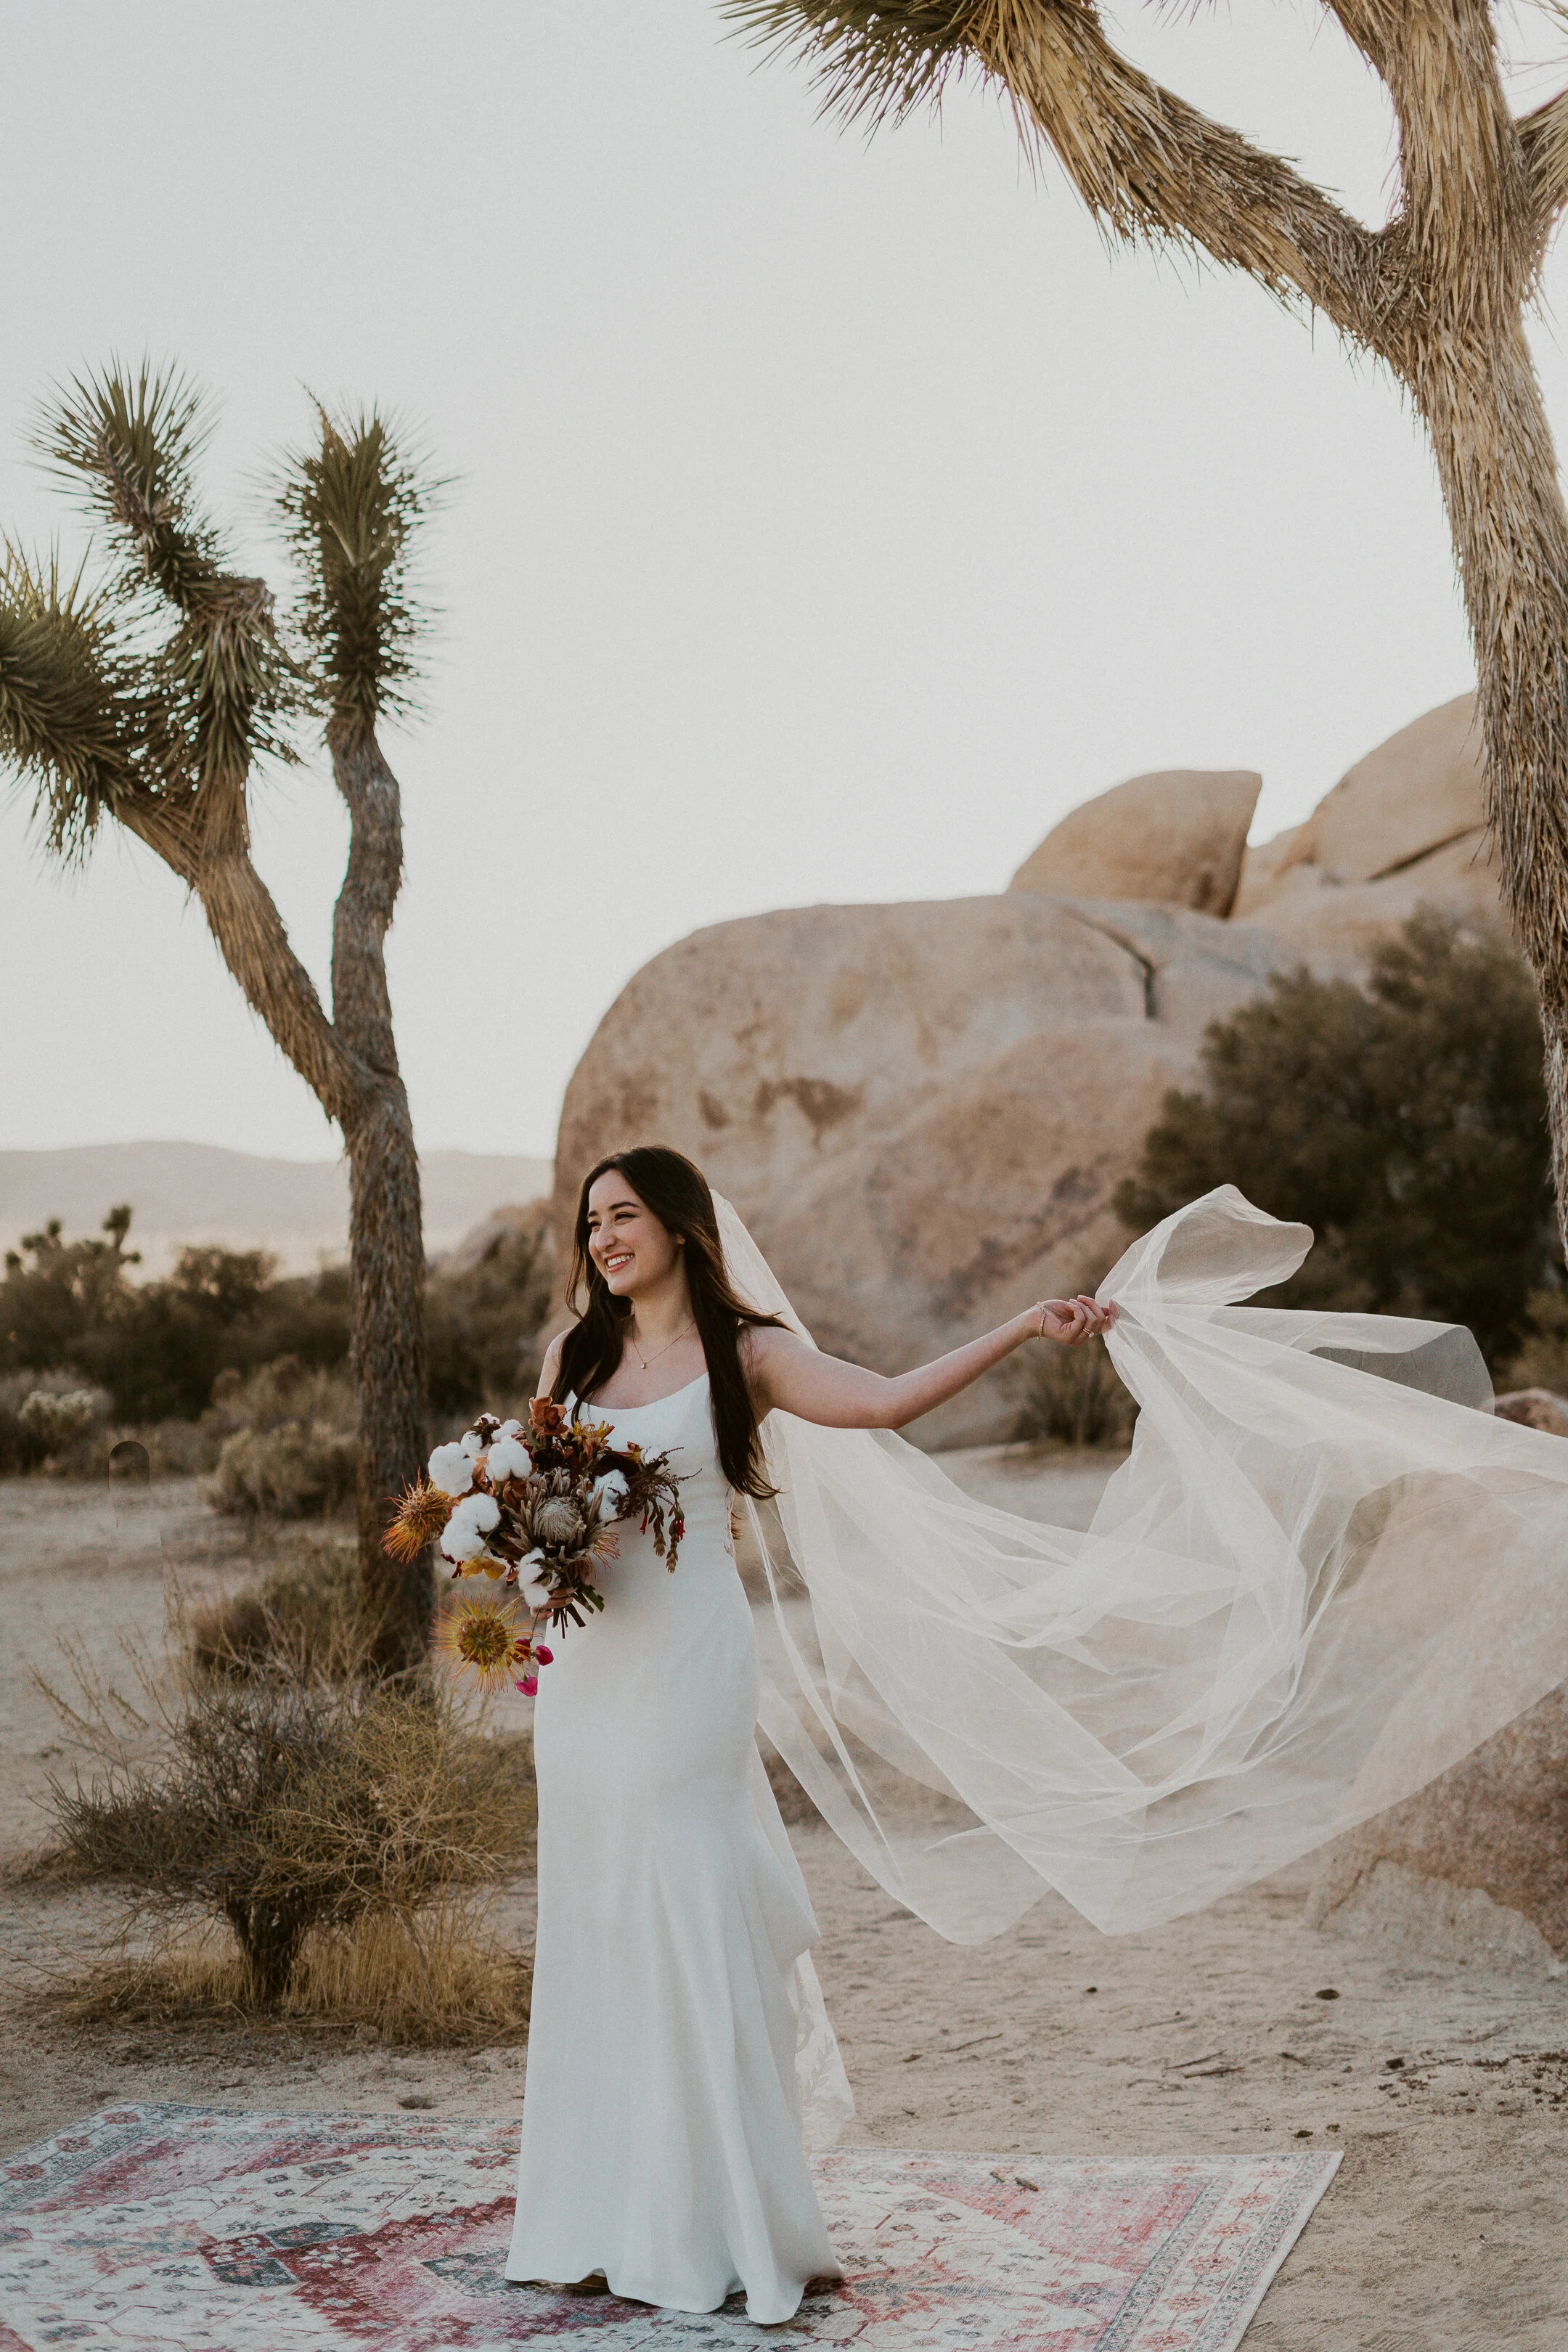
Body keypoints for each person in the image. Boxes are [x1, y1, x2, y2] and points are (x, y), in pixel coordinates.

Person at [504, 1143, 1112, 2320]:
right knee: (600, 1915)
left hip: (687, 1670)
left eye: (623, 1216)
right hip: (586, 1678)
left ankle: (728, 2219)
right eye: (590, 1225)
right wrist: (525, 1547)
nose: (603, 1240)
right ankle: (599, 2217)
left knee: (688, 1899)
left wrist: (1024, 1329)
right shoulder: (571, 1356)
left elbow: (883, 1401)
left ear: (680, 1225)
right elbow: (541, 1498)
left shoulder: (750, 1354)